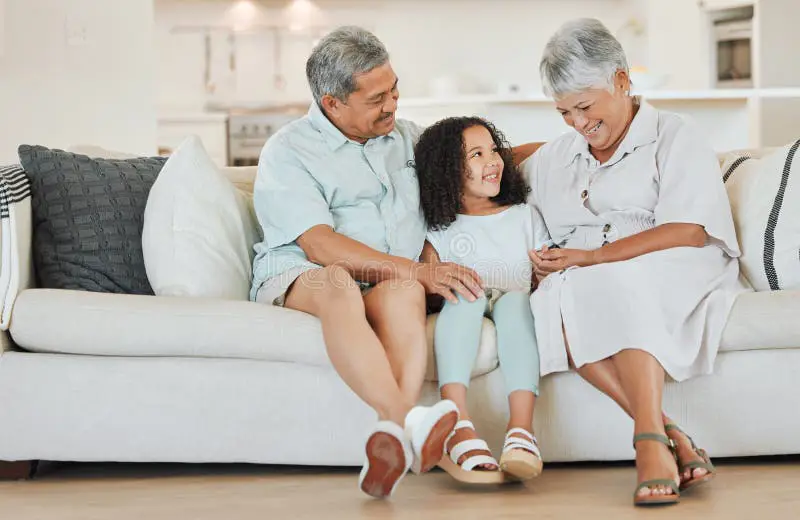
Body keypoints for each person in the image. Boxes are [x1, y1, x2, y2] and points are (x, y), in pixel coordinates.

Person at [525, 18, 749, 506]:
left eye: (584, 106)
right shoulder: (556, 157)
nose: (578, 123)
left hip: (674, 259)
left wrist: (593, 256)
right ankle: (671, 435)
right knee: (554, 295)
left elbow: (690, 229)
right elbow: (498, 165)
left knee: (616, 280)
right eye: (564, 112)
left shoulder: (675, 134)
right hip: (590, 273)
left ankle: (647, 439)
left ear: (622, 81)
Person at [414, 117, 549, 484]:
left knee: (517, 304)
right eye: (476, 154)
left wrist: (547, 274)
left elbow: (544, 268)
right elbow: (430, 280)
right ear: (447, 170)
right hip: (465, 301)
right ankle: (457, 422)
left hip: (515, 296)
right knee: (465, 297)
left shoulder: (524, 215)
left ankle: (521, 431)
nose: (493, 161)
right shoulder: (439, 228)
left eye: (494, 150)